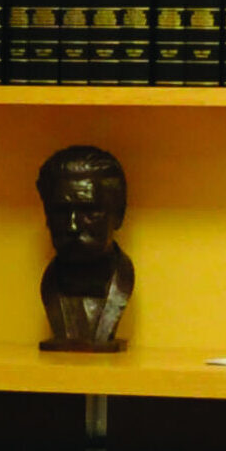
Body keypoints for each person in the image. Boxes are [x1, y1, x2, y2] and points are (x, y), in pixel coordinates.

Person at [36, 145, 133, 351]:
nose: (72, 225)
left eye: (89, 211)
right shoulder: (50, 285)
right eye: (61, 211)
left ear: (118, 214)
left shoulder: (122, 284)